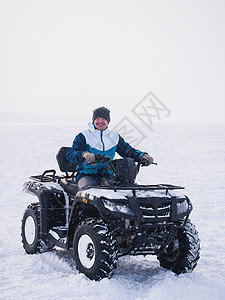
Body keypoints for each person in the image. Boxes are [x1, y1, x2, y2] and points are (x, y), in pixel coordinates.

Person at [66, 106, 154, 190]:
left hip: (108, 175)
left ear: (108, 121)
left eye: (103, 119)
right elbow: (70, 154)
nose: (100, 121)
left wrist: (142, 155)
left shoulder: (114, 137)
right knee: (88, 192)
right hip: (86, 175)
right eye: (97, 119)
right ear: (93, 120)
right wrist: (84, 154)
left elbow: (128, 151)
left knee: (124, 191)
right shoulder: (84, 136)